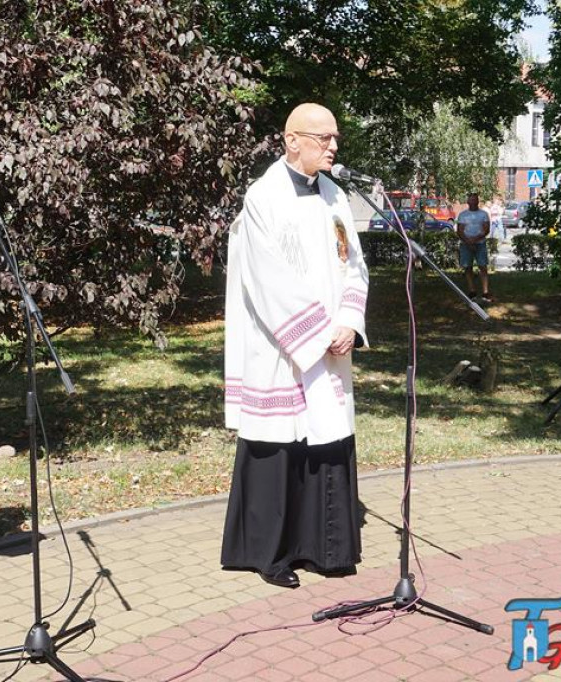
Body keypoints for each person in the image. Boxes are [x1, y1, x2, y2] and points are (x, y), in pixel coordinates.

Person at [221, 103, 370, 589]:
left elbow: (354, 264)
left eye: (335, 137)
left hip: (331, 344)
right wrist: (318, 335)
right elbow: (267, 278)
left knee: (325, 440)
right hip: (281, 346)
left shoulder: (335, 195)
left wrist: (348, 321)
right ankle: (271, 554)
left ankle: (324, 547)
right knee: (280, 444)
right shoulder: (262, 198)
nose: (333, 146)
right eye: (324, 138)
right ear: (292, 140)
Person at [456, 192, 492, 303]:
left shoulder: (484, 214)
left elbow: (486, 230)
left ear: (478, 201)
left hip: (480, 244)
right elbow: (460, 231)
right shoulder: (463, 215)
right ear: (468, 202)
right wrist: (468, 242)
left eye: (475, 200)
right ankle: (472, 291)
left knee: (483, 266)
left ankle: (485, 292)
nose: (473, 202)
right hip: (466, 244)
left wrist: (475, 239)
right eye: (471, 200)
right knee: (468, 267)